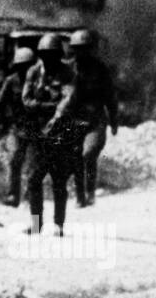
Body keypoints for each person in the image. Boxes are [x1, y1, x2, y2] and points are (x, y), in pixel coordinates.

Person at [49, 28, 119, 207]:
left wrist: (113, 120)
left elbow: (110, 95)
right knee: (75, 157)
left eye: (85, 48)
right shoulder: (67, 68)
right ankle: (81, 196)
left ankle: (90, 192)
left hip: (95, 120)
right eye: (78, 48)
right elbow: (59, 94)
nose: (82, 52)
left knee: (88, 154)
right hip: (74, 120)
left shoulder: (100, 69)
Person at [21, 33, 79, 235]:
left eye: (52, 54)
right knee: (33, 179)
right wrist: (47, 106)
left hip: (59, 134)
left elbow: (68, 99)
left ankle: (58, 224)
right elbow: (26, 100)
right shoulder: (33, 72)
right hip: (37, 134)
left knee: (59, 180)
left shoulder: (67, 73)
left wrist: (55, 115)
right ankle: (36, 224)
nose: (48, 58)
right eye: (45, 54)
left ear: (59, 55)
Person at [0, 47, 37, 207]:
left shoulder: (40, 81)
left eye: (28, 66)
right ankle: (12, 195)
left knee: (32, 165)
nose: (24, 70)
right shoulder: (11, 81)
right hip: (16, 128)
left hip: (35, 130)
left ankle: (31, 195)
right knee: (13, 159)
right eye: (21, 66)